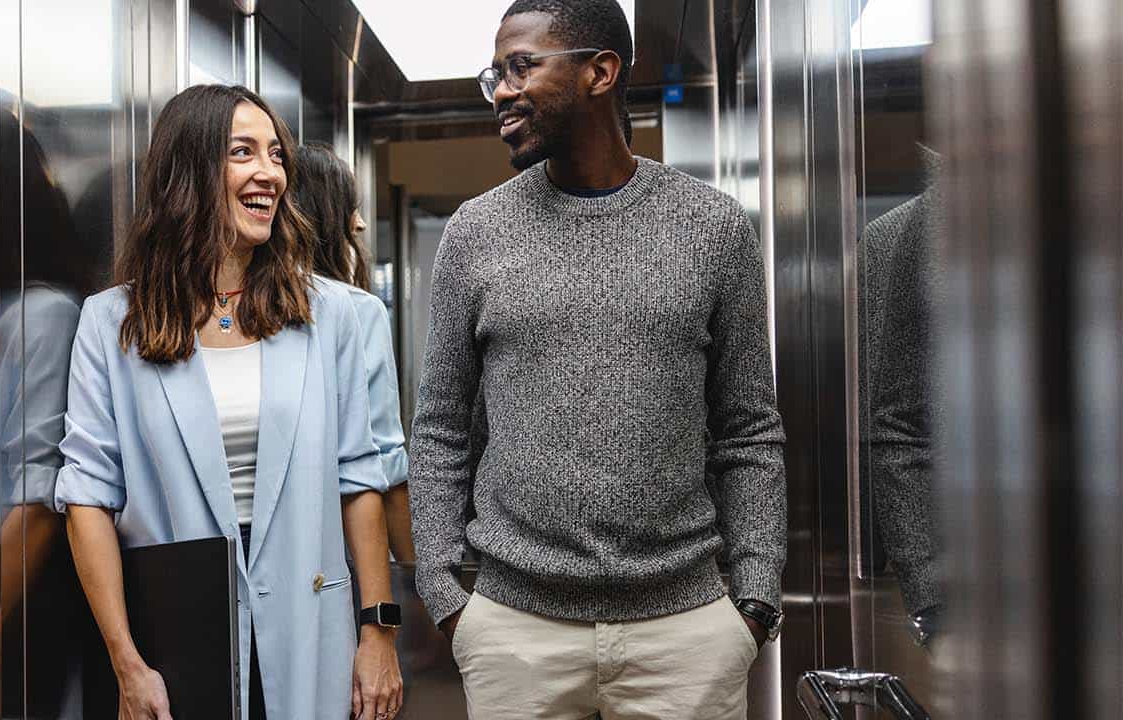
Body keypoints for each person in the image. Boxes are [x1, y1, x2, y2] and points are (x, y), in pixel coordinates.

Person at [407, 2, 787, 719]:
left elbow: (749, 430)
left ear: (600, 72)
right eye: (496, 73)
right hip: (514, 631)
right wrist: (445, 592)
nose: (502, 91)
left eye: (522, 66)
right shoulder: (475, 233)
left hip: (687, 631)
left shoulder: (712, 228)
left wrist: (756, 598)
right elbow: (440, 430)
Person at [54, 85, 403, 720]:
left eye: (275, 154)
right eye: (243, 152)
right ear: (188, 171)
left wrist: (378, 633)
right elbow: (87, 498)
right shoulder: (111, 323)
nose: (269, 171)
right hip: (179, 643)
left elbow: (360, 477)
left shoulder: (328, 316)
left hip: (311, 628)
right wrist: (126, 661)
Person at [291, 142, 414, 563]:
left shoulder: (232, 308)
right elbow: (386, 462)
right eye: (348, 207)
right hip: (346, 559)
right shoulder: (358, 309)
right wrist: (416, 579)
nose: (359, 224)